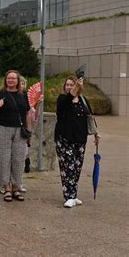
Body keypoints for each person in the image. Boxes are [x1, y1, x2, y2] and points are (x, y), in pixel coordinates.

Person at [55, 76, 100, 208]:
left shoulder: (83, 100)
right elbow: (69, 98)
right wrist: (75, 88)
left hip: (80, 139)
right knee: (68, 167)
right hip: (64, 139)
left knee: (77, 167)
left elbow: (90, 117)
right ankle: (69, 196)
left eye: (71, 84)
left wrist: (96, 134)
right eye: (67, 85)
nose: (69, 87)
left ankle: (73, 194)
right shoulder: (63, 99)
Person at [0, 70, 31, 202]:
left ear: (18, 81)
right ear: (5, 80)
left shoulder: (23, 95)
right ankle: (6, 187)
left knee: (18, 159)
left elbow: (27, 113)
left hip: (20, 130)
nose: (11, 80)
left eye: (14, 79)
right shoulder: (0, 93)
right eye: (9, 78)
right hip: (2, 128)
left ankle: (16, 187)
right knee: (3, 158)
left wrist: (28, 130)